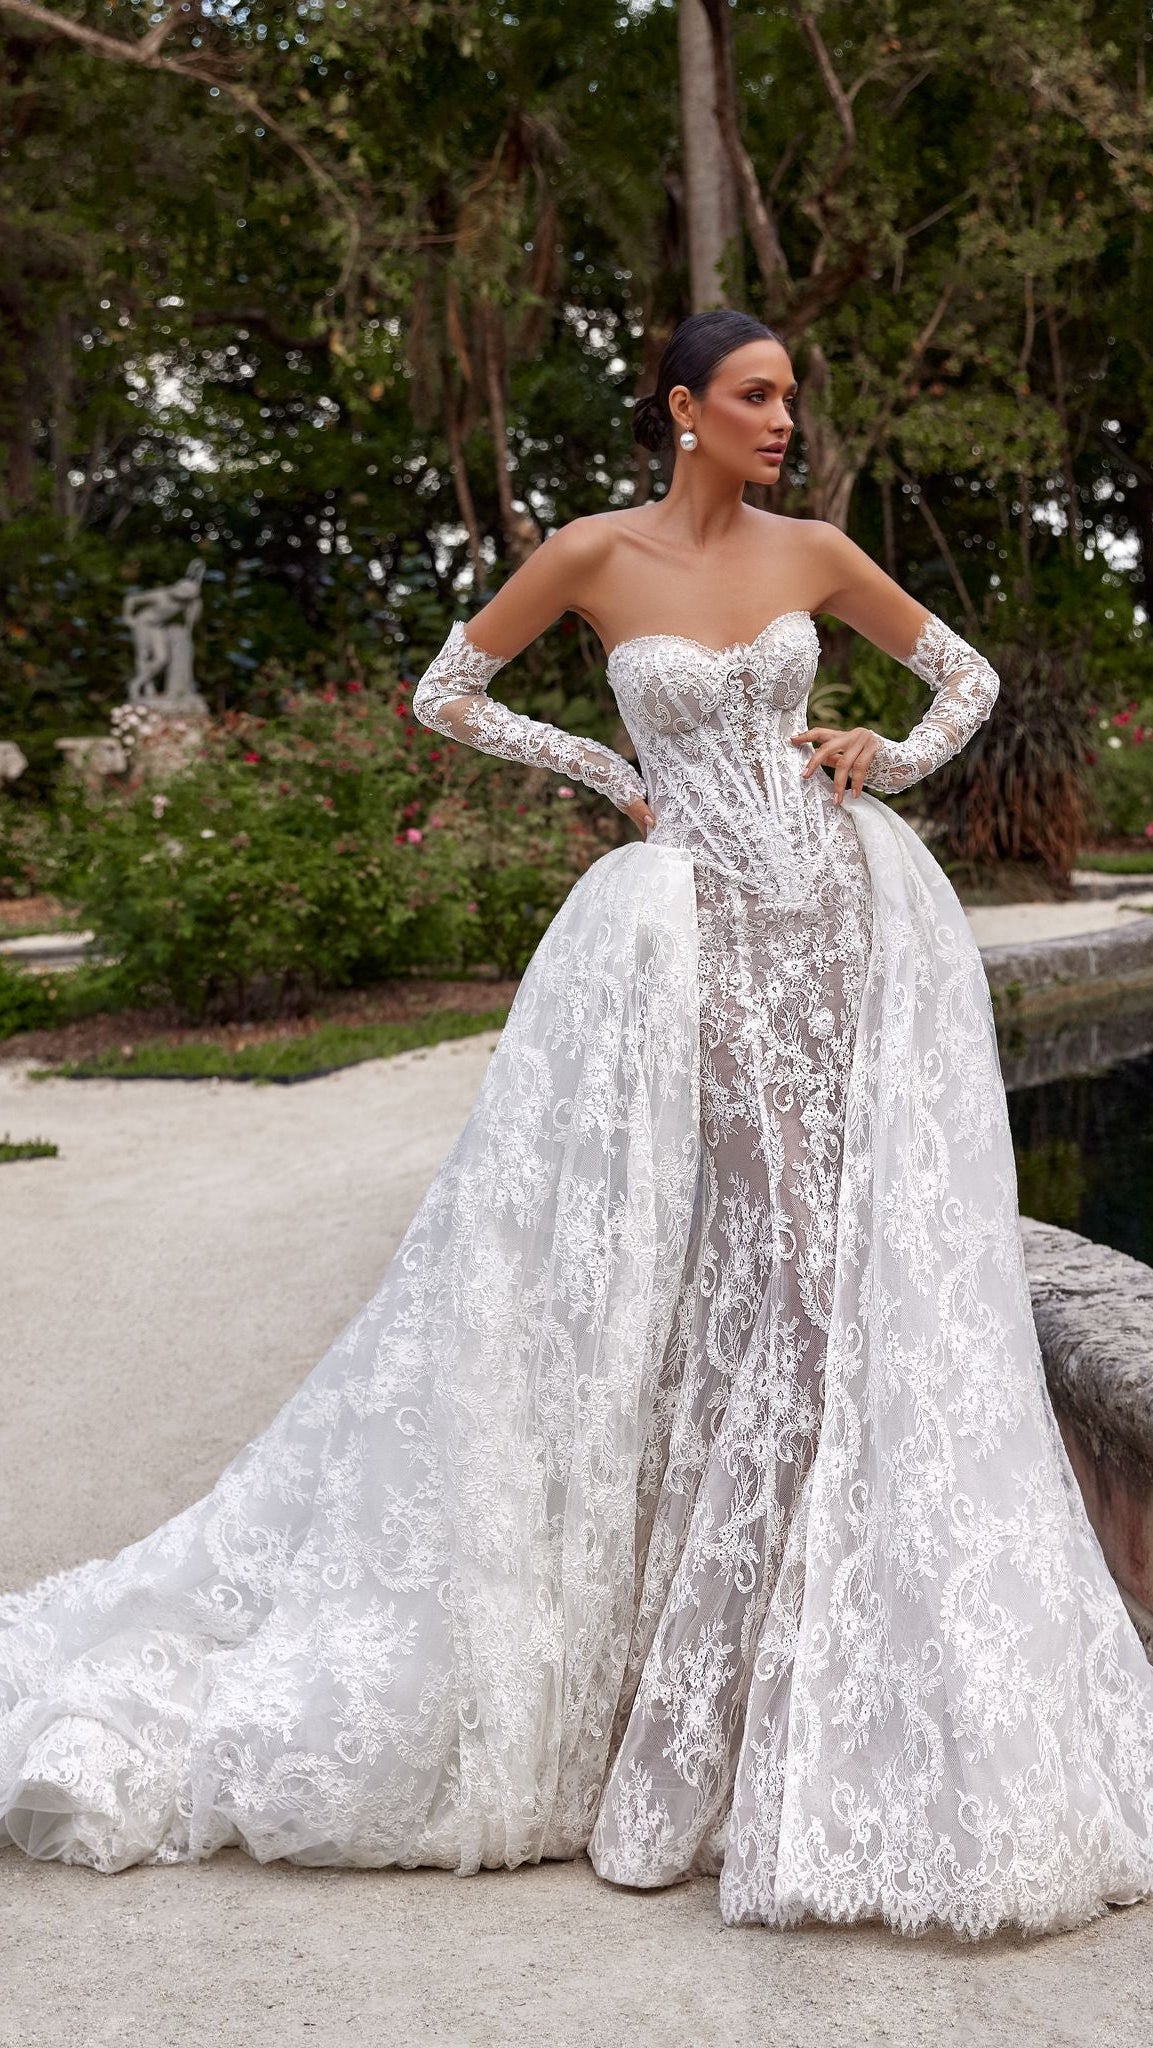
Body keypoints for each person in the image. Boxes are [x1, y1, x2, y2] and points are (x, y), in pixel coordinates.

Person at [2, 310, 1151, 1943]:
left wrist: (877, 752)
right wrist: (608, 774)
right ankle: (700, 1718)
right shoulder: (590, 554)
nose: (779, 421)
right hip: (687, 944)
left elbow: (961, 678)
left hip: (837, 923)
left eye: (787, 400)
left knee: (844, 1279)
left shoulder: (815, 548)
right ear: (680, 408)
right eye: (752, 397)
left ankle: (816, 1698)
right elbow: (445, 691)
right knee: (757, 1281)